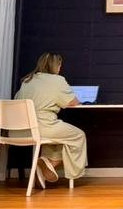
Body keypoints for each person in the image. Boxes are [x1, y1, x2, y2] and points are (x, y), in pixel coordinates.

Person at [14, 52, 88, 187]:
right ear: (56, 66)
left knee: (58, 140)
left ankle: (43, 169)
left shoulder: (27, 80)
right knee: (78, 136)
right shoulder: (57, 80)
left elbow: (17, 100)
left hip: (19, 130)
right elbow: (73, 102)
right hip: (43, 127)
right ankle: (49, 164)